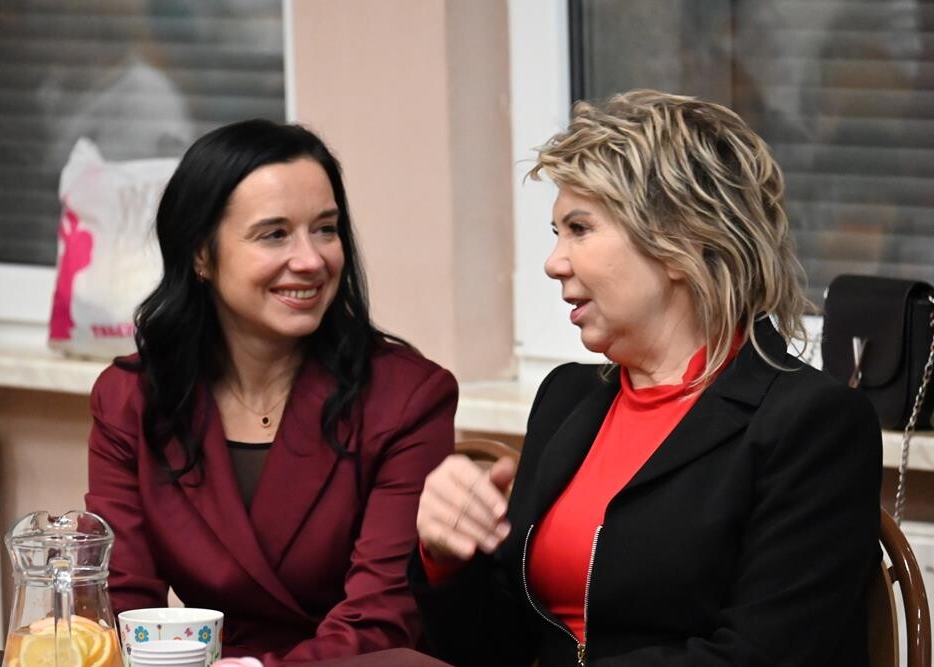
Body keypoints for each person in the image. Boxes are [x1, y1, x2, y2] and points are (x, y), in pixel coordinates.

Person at [409, 90, 882, 666]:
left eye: (579, 229)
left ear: (681, 240)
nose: (554, 262)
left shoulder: (812, 423)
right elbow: (497, 650)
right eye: (556, 233)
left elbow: (763, 655)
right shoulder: (566, 398)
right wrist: (445, 557)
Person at [85, 119, 457, 665]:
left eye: (325, 229)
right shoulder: (131, 398)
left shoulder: (407, 397)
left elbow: (380, 620)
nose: (311, 260)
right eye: (274, 234)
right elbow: (122, 604)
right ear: (200, 254)